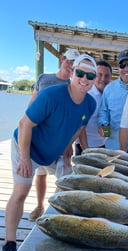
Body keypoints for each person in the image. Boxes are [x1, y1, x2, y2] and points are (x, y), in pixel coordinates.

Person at [2, 54, 97, 251]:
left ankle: (51, 229)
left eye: (90, 75)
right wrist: (25, 159)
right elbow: (25, 124)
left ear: (94, 79)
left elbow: (80, 126)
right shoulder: (51, 94)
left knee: (67, 188)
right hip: (27, 146)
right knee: (21, 191)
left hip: (53, 152)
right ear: (72, 73)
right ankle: (9, 242)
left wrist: (67, 147)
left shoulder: (90, 103)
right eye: (80, 73)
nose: (84, 78)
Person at [28, 48, 80, 221]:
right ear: (62, 59)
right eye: (69, 60)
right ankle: (39, 206)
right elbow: (31, 104)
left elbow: (74, 119)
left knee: (65, 176)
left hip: (58, 139)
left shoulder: (74, 87)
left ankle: (52, 210)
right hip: (38, 137)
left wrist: (70, 144)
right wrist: (25, 128)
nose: (71, 65)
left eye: (75, 63)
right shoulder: (44, 78)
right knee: (40, 174)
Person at [98, 49, 128, 150]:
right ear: (118, 68)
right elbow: (104, 111)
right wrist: (102, 124)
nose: (126, 68)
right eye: (122, 65)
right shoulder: (109, 89)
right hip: (114, 147)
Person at [75, 60, 112, 155]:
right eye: (100, 75)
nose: (103, 79)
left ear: (111, 78)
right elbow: (80, 124)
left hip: (104, 146)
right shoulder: (86, 95)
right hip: (85, 146)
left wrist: (107, 132)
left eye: (107, 76)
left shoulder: (111, 95)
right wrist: (86, 150)